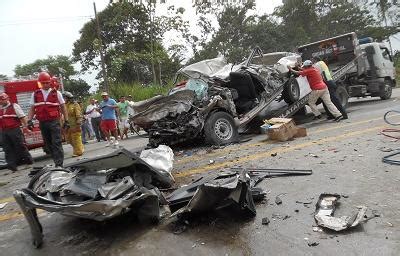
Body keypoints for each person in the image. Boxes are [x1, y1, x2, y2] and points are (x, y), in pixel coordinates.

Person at [28, 71, 69, 167]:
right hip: (43, 122)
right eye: (43, 83)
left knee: (56, 142)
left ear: (50, 82)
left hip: (54, 122)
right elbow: (32, 109)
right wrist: (29, 120)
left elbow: (63, 107)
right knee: (48, 144)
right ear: (40, 83)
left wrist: (66, 120)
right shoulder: (35, 94)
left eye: (47, 82)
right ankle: (56, 161)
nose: (46, 84)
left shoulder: (56, 93)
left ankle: (59, 164)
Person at [0, 93, 33, 172]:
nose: (1, 101)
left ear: (7, 99)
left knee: (20, 145)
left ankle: (28, 160)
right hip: (4, 131)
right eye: (0, 100)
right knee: (7, 148)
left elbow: (22, 117)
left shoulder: (14, 106)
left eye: (2, 99)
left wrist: (27, 128)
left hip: (15, 129)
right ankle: (12, 165)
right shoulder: (0, 109)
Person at [64, 92, 84, 157]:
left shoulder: (75, 104)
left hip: (75, 124)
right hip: (67, 125)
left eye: (64, 97)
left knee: (76, 138)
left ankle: (78, 152)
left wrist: (79, 122)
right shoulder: (63, 105)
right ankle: (80, 148)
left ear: (68, 98)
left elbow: (79, 114)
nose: (63, 99)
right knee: (68, 139)